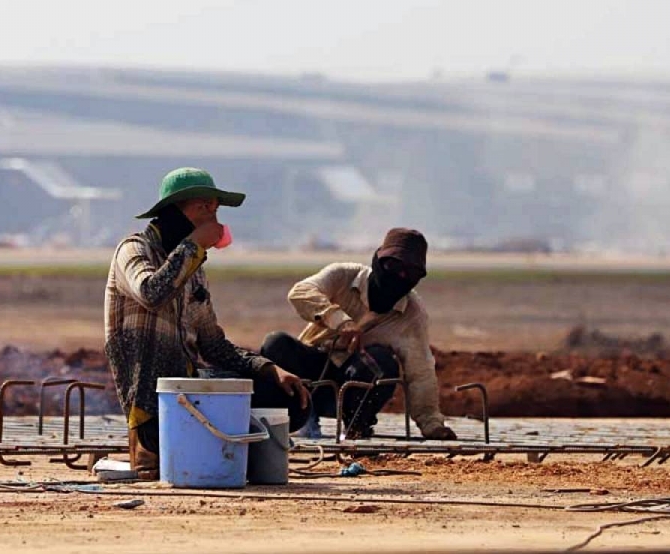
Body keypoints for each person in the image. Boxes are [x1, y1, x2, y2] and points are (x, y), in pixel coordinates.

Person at [105, 167, 310, 477]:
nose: (212, 217)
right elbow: (151, 293)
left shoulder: (194, 270)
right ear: (174, 211)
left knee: (284, 397)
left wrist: (269, 369)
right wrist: (193, 244)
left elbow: (213, 344)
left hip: (188, 383)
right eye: (203, 207)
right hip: (150, 393)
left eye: (214, 209)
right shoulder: (134, 249)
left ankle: (226, 450)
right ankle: (150, 448)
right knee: (168, 416)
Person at [260, 228, 457, 440]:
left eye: (411, 273)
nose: (401, 276)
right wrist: (339, 320)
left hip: (354, 386)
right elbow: (300, 293)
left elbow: (420, 372)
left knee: (382, 362)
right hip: (309, 378)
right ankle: (291, 418)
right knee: (276, 344)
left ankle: (356, 427)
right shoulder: (343, 276)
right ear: (378, 260)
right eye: (394, 266)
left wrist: (431, 424)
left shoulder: (412, 314)